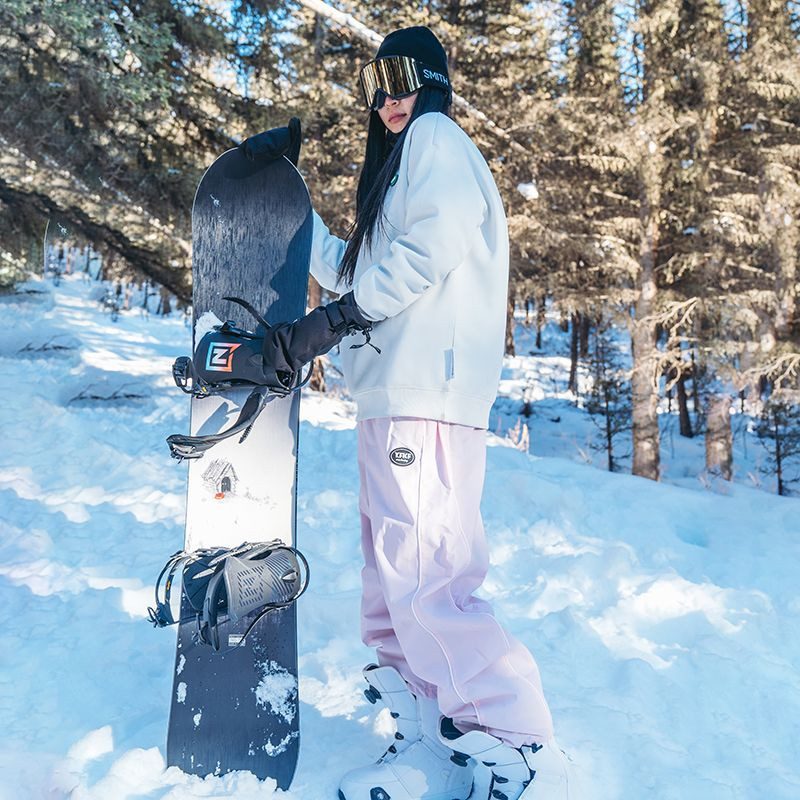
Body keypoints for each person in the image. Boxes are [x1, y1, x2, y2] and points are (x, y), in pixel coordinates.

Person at [241, 25, 571, 800]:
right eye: (380, 85)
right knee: (392, 588)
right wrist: (293, 204)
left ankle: (518, 745)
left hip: (426, 397)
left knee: (429, 581)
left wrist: (335, 322)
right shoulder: (400, 172)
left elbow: (428, 255)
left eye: (406, 82)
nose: (392, 100)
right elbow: (361, 269)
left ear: (433, 85)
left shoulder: (437, 139)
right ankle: (436, 740)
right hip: (392, 402)